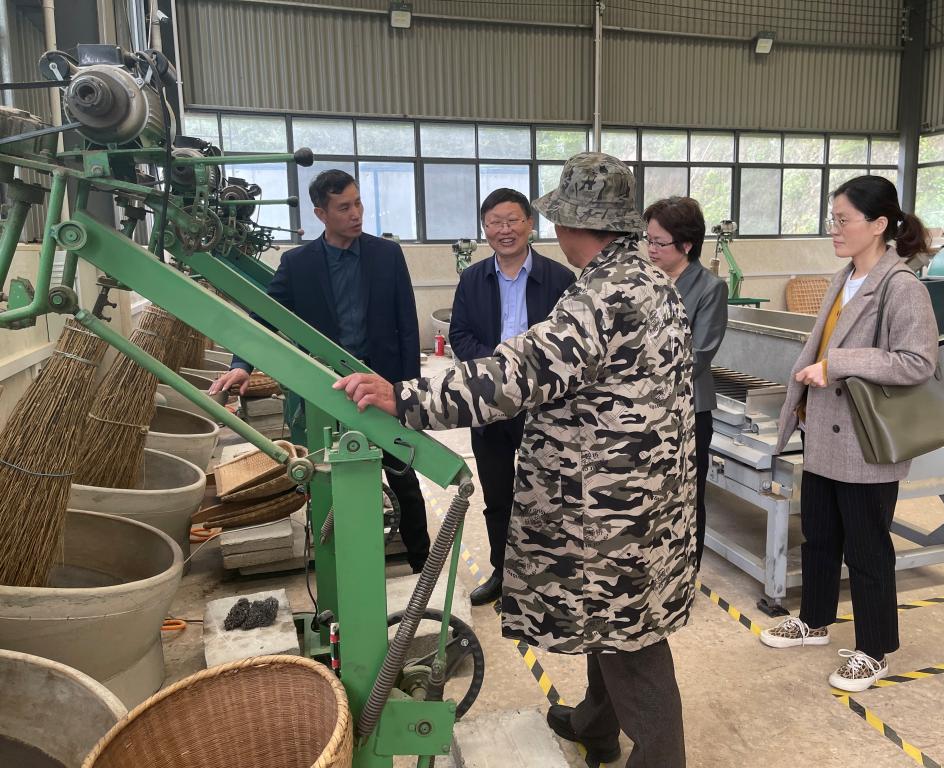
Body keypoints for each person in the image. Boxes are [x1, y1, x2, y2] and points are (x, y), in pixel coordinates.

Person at [335, 153, 697, 767]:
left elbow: (517, 373)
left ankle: (661, 758)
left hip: (611, 504)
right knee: (609, 618)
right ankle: (596, 723)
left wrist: (407, 398)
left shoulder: (603, 295)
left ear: (571, 224)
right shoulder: (650, 279)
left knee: (630, 635)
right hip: (644, 492)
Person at [759, 175, 938, 692]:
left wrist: (837, 364)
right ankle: (814, 621)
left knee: (866, 549)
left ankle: (873, 650)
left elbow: (917, 362)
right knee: (820, 537)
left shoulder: (901, 286)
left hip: (865, 443)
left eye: (843, 220)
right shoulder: (845, 276)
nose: (834, 229)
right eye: (832, 219)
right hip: (824, 434)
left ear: (879, 224)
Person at [208, 169, 432, 573]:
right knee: (327, 477)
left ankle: (421, 562)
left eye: (358, 203)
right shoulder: (298, 264)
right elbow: (264, 319)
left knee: (402, 474)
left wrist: (407, 391)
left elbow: (406, 325)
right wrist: (241, 365)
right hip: (327, 393)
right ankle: (337, 564)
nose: (356, 213)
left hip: (382, 386)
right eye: (343, 207)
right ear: (320, 213)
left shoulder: (386, 255)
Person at [448, 187, 575, 606]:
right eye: (495, 223)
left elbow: (568, 343)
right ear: (485, 229)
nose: (505, 230)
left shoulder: (560, 279)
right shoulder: (472, 278)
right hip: (489, 406)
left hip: (544, 407)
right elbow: (460, 335)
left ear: (529, 224)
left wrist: (527, 374)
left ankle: (549, 577)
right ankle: (504, 574)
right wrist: (500, 371)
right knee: (497, 497)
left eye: (512, 220)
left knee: (548, 495)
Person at [643, 196, 727, 570]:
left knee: (687, 495)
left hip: (688, 410)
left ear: (687, 244)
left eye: (660, 243)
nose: (651, 249)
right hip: (645, 408)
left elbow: (700, 354)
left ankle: (687, 570)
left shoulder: (709, 288)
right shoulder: (646, 282)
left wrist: (641, 375)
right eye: (648, 240)